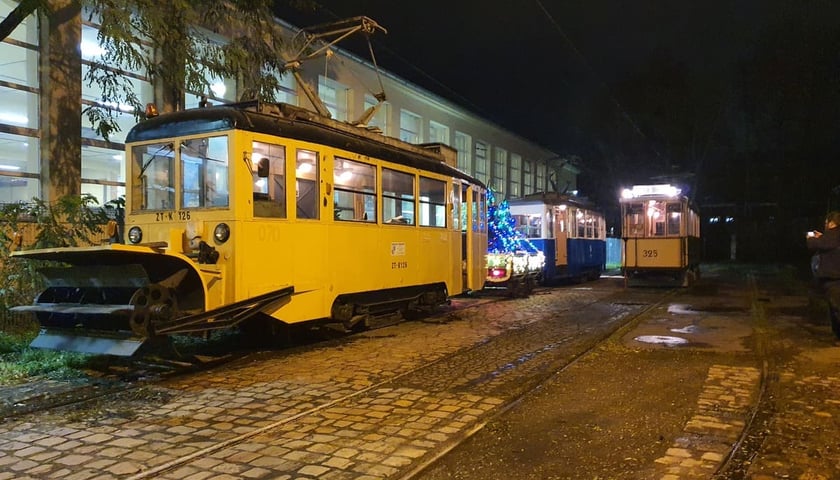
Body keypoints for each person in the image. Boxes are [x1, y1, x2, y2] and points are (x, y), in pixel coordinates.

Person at [806, 211, 840, 337]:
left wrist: (810, 238)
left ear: (831, 223)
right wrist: (822, 237)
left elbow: (812, 245)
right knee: (834, 307)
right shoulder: (832, 236)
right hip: (835, 277)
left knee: (836, 307)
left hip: (833, 278)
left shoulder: (832, 235)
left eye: (826, 222)